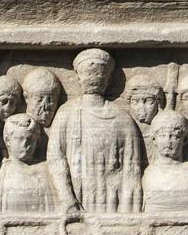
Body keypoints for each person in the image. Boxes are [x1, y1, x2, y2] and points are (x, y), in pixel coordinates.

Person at [47, 48, 144, 214]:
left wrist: (128, 212)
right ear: (78, 77)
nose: (93, 77)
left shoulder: (122, 118)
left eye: (98, 72)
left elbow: (132, 170)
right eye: (88, 72)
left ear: (109, 78)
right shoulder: (67, 112)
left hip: (112, 201)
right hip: (76, 198)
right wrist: (67, 198)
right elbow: (55, 157)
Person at [142, 110, 188, 213]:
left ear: (184, 140)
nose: (168, 141)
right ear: (154, 139)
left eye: (175, 136)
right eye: (162, 136)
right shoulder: (149, 174)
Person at [0, 114, 54, 213]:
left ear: (37, 141)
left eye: (30, 139)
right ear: (8, 140)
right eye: (20, 139)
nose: (25, 145)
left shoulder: (46, 171)